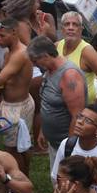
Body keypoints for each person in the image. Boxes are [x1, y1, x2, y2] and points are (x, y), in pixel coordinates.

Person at [0, 17, 35, 175]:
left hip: (17, 108)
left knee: (12, 150)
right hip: (16, 104)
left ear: (14, 32)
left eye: (2, 35)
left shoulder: (20, 54)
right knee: (22, 145)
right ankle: (24, 178)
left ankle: (19, 182)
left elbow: (0, 78)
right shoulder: (10, 52)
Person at [28, 36, 86, 167]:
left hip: (66, 146)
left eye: (35, 61)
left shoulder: (69, 76)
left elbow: (77, 116)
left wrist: (69, 150)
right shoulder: (49, 71)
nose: (34, 65)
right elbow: (47, 104)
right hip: (54, 144)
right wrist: (44, 131)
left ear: (45, 56)